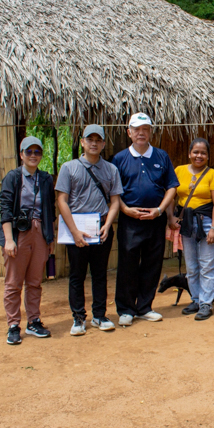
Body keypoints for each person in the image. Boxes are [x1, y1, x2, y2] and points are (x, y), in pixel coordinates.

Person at [111, 113, 179, 326]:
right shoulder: (120, 158)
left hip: (155, 219)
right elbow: (114, 191)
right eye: (137, 129)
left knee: (152, 263)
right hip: (130, 220)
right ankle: (126, 309)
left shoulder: (161, 156)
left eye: (146, 129)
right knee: (127, 264)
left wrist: (160, 210)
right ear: (129, 132)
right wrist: (125, 210)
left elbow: (171, 187)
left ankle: (145, 307)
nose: (141, 133)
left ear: (151, 132)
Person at [56, 125, 123, 336]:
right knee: (76, 275)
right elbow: (61, 200)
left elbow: (115, 201)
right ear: (82, 142)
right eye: (89, 139)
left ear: (103, 144)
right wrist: (74, 231)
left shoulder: (111, 170)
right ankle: (78, 318)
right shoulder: (69, 168)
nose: (94, 143)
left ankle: (100, 315)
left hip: (101, 228)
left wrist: (108, 224)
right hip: (76, 230)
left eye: (98, 140)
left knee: (100, 274)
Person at [0, 136, 55, 345]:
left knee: (34, 281)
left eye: (37, 152)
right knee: (13, 283)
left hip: (39, 232)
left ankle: (34, 321)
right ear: (21, 154)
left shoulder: (46, 179)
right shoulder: (13, 178)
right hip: (18, 234)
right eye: (28, 152)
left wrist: (50, 238)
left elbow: (50, 210)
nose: (33, 156)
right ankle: (13, 325)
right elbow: (5, 209)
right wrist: (9, 239)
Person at [167, 138, 214, 321]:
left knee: (208, 263)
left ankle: (206, 303)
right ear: (189, 153)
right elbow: (171, 196)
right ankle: (196, 299)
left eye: (203, 153)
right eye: (196, 152)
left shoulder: (213, 174)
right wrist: (171, 217)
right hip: (186, 223)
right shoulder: (179, 171)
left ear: (208, 156)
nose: (199, 156)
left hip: (206, 222)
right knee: (191, 265)